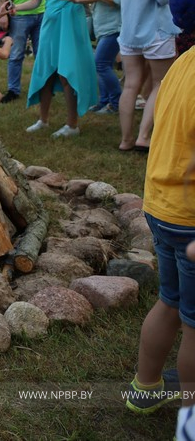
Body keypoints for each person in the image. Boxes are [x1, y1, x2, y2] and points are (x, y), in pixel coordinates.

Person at [124, 46, 194, 426]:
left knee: (169, 301)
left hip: (162, 206)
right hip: (190, 217)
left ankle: (146, 387)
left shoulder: (185, 60)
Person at [108, 0, 185, 153]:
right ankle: (143, 136)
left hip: (129, 32)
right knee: (159, 82)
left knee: (130, 85)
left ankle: (125, 139)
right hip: (156, 32)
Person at [14, 0, 99, 137]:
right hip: (50, 26)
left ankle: (72, 125)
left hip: (71, 25)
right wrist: (14, 7)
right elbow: (35, 1)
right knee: (46, 72)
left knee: (66, 73)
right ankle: (43, 120)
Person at [81, 0, 123, 114]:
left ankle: (116, 102)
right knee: (100, 64)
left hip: (114, 27)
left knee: (101, 64)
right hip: (102, 28)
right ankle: (104, 100)